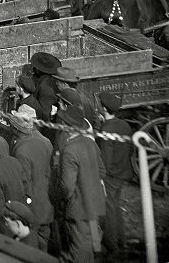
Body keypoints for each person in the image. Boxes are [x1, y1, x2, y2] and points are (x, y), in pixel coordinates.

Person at [55, 105, 107, 262]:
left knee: (80, 248)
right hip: (96, 204)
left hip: (79, 208)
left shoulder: (69, 149)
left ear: (67, 128)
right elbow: (102, 171)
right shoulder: (90, 143)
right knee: (93, 242)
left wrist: (65, 199)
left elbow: (67, 186)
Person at [9, 104, 53, 251]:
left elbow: (24, 183)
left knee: (31, 247)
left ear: (16, 129)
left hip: (32, 209)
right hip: (46, 204)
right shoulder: (45, 141)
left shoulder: (21, 150)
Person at [97, 93, 133, 256]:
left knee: (109, 209)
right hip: (123, 173)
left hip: (110, 176)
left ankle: (112, 245)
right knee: (116, 207)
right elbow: (130, 149)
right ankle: (122, 241)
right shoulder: (124, 125)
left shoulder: (106, 129)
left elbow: (106, 158)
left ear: (104, 109)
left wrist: (102, 177)